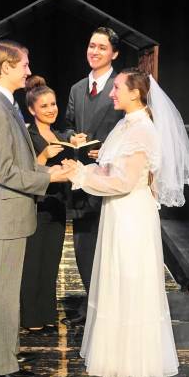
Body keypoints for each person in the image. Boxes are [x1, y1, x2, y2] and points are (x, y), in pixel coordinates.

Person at [62, 68, 189, 377]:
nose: (112, 92)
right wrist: (85, 166)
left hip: (131, 215)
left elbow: (123, 182)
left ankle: (134, 359)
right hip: (118, 213)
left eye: (118, 87)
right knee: (117, 278)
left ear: (136, 93)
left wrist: (81, 177)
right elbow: (112, 169)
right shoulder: (126, 124)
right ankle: (114, 354)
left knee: (130, 279)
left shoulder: (142, 131)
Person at [0, 41, 71, 377]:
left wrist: (51, 172)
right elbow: (3, 170)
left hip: (11, 211)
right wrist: (48, 176)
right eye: (24, 65)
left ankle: (5, 352)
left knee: (8, 288)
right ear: (6, 68)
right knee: (2, 290)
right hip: (5, 214)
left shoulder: (6, 104)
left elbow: (18, 161)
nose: (29, 71)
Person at [62, 27, 124, 326]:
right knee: (84, 244)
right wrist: (74, 137)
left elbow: (131, 128)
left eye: (101, 47)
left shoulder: (121, 86)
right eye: (91, 45)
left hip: (111, 176)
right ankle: (91, 302)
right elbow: (68, 123)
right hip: (82, 178)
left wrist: (108, 150)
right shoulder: (76, 88)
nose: (94, 51)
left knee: (108, 243)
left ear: (114, 53)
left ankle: (110, 305)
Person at [20, 75, 67, 333]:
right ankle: (30, 316)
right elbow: (25, 172)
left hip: (57, 204)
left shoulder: (59, 134)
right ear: (32, 110)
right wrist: (44, 154)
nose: (51, 109)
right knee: (32, 263)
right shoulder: (27, 135)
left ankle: (48, 312)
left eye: (53, 104)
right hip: (36, 205)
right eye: (44, 106)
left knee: (51, 262)